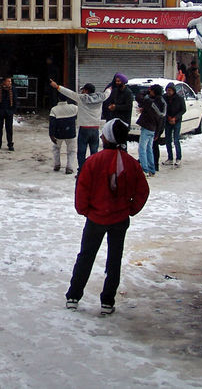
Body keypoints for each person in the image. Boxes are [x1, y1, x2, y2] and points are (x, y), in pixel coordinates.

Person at [65, 119, 149, 315]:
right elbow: (142, 191)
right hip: (119, 219)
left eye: (103, 134)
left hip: (95, 217)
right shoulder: (131, 163)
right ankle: (108, 301)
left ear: (107, 138)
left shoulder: (93, 161)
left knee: (86, 256)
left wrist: (84, 210)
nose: (101, 137)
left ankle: (73, 296)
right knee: (114, 259)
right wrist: (130, 209)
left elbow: (82, 189)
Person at [50, 79, 109, 173]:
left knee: (81, 152)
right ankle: (95, 170)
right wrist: (111, 86)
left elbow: (70, 93)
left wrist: (57, 86)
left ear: (86, 91)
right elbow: (108, 92)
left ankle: (82, 171)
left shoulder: (81, 98)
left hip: (84, 129)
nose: (82, 91)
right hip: (95, 129)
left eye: (83, 90)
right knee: (94, 151)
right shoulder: (101, 98)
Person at [135, 85, 165, 176]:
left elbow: (139, 98)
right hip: (153, 128)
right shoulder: (162, 103)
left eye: (151, 91)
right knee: (149, 149)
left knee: (142, 149)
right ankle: (152, 169)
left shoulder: (150, 102)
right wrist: (158, 132)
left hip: (147, 127)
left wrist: (145, 92)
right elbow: (160, 118)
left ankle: (145, 169)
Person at [49, 98, 78, 174]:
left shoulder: (54, 109)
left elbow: (52, 123)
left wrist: (51, 134)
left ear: (58, 99)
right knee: (71, 151)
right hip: (71, 133)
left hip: (59, 134)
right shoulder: (74, 107)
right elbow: (78, 116)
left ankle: (57, 164)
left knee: (56, 149)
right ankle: (69, 167)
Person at [0, 76, 17, 151]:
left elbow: (15, 100)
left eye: (10, 81)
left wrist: (12, 111)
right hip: (0, 111)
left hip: (9, 112)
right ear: (4, 82)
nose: (10, 83)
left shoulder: (12, 89)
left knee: (9, 129)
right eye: (8, 81)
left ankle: (10, 144)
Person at [164, 82, 186, 165]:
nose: (168, 92)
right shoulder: (164, 98)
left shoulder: (179, 98)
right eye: (167, 90)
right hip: (168, 120)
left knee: (176, 139)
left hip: (177, 120)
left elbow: (183, 109)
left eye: (170, 90)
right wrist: (168, 117)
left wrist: (175, 118)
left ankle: (178, 158)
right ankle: (170, 158)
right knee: (168, 139)